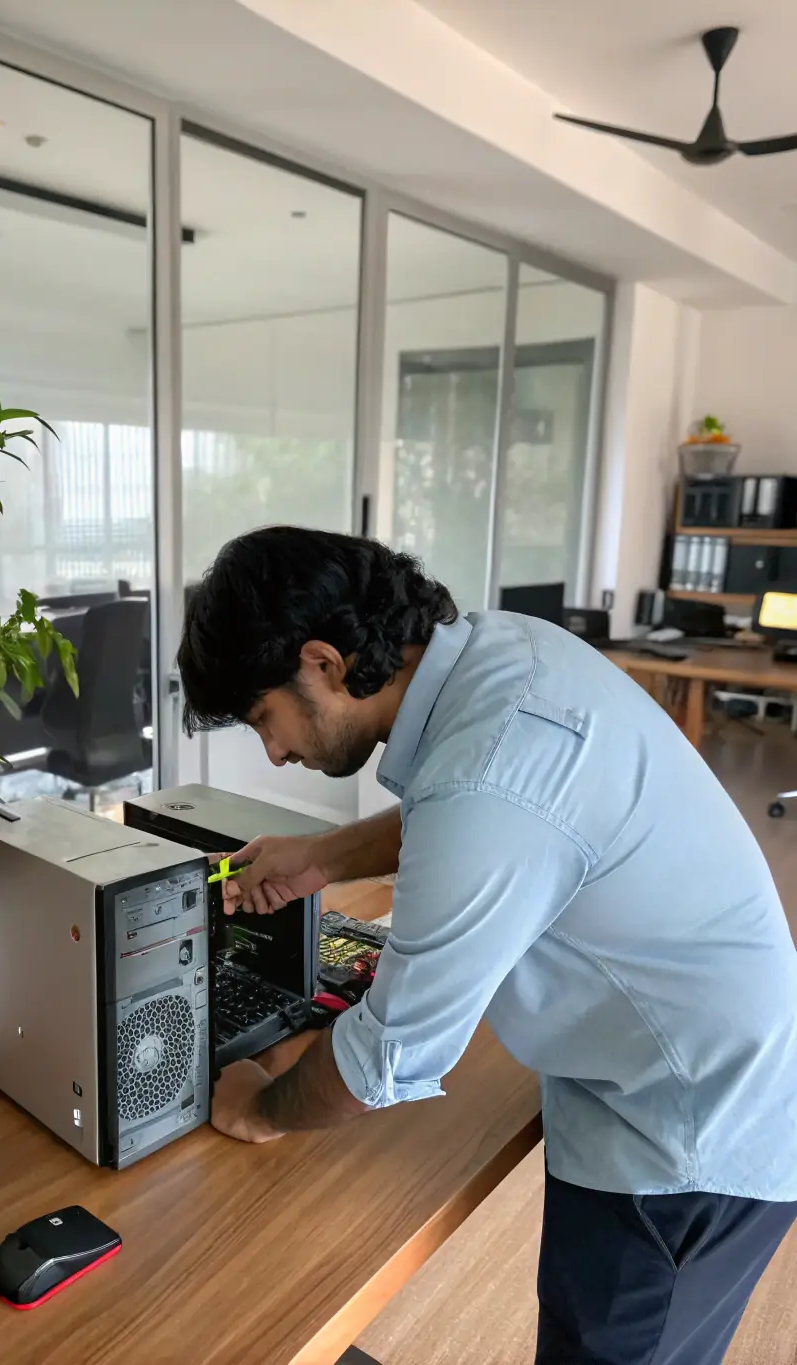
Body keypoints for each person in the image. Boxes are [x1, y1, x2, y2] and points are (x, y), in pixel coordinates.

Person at [177, 526, 797, 1365]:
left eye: (265, 718)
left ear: (322, 663)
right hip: (651, 1070)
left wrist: (256, 1106)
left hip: (691, 1136)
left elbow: (381, 1063)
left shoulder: (485, 773)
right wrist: (319, 856)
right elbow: (470, 810)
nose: (276, 749)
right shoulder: (499, 652)